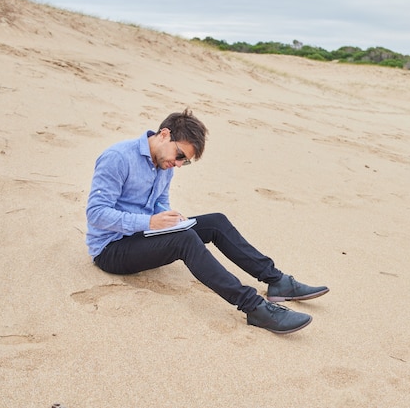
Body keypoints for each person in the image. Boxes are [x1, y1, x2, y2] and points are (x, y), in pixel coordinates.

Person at [85, 108, 329, 334]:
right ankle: (255, 308)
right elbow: (96, 214)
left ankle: (277, 281)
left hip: (144, 238)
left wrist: (169, 218)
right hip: (111, 250)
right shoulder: (117, 157)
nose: (178, 164)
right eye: (179, 155)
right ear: (164, 134)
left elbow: (160, 203)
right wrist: (149, 222)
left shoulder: (165, 164)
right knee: (185, 240)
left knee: (216, 222)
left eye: (185, 161)